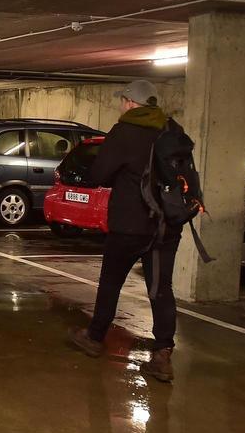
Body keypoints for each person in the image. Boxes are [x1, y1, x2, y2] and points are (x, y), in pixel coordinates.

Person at [69, 79, 181, 383]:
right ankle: (162, 354)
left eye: (122, 101)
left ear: (130, 103)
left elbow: (99, 174)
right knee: (161, 288)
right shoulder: (173, 131)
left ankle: (94, 337)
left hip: (130, 225)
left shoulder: (124, 131)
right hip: (166, 226)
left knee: (111, 281)